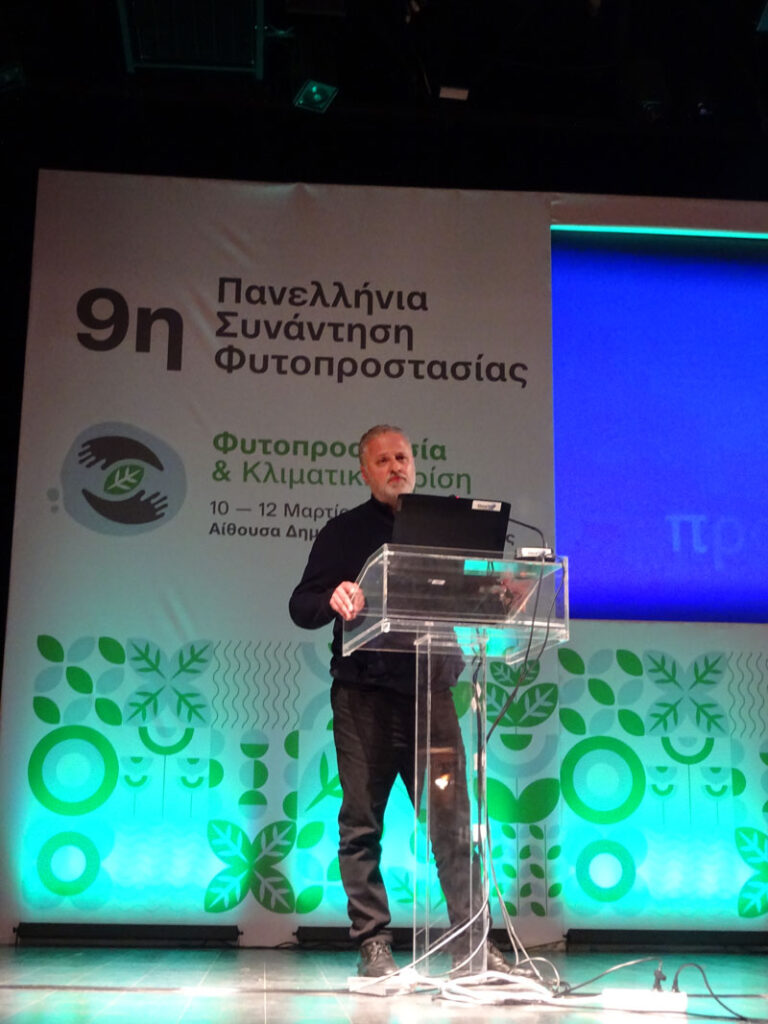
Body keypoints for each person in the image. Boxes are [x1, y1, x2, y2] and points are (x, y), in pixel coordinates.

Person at [289, 424, 515, 978]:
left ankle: (472, 944)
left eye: (403, 458)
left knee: (453, 827)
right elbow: (302, 604)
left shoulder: (448, 531)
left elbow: (475, 599)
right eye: (384, 460)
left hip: (433, 698)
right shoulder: (344, 532)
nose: (397, 467)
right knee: (362, 824)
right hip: (365, 700)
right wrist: (333, 596)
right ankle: (373, 943)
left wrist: (504, 595)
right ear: (364, 472)